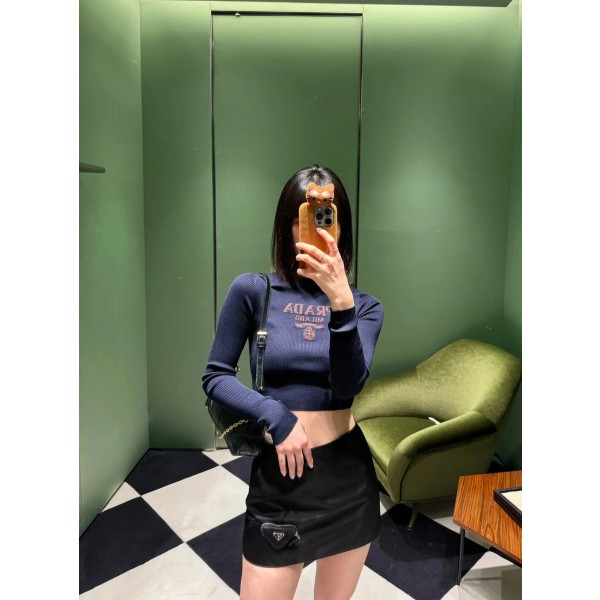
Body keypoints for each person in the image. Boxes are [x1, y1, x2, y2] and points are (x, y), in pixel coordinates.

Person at [202, 165, 384, 600]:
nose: (317, 230)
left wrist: (341, 304)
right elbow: (215, 376)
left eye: (328, 218)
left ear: (341, 227)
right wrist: (276, 416)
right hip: (281, 480)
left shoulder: (364, 307)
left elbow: (348, 387)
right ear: (287, 225)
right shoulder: (253, 291)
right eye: (305, 217)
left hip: (349, 481)